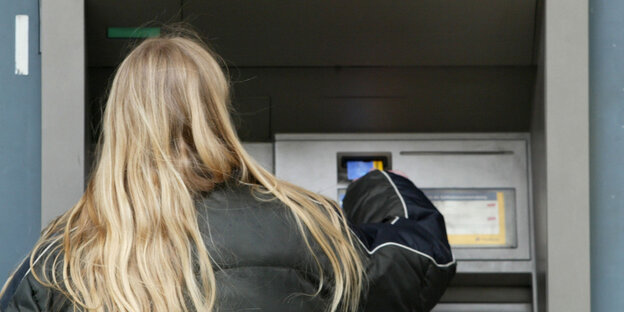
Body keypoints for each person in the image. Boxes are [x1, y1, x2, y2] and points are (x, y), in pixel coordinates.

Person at [0, 31, 455, 312]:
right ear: (216, 113)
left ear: (121, 124)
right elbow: (423, 261)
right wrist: (374, 183)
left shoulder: (62, 257)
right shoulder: (308, 224)